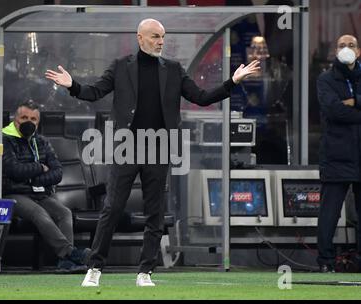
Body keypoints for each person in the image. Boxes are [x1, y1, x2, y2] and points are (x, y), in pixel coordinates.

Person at [45, 19, 260, 286]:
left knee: (155, 213)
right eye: (156, 36)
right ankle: (95, 268)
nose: (161, 41)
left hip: (159, 147)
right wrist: (72, 85)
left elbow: (202, 97)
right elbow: (94, 92)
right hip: (127, 146)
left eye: (163, 37)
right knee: (112, 208)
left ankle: (145, 271)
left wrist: (232, 82)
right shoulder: (121, 67)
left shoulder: (173, 69)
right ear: (140, 38)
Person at [2, 100, 90, 272]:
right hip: (13, 194)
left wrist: (34, 180)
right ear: (15, 119)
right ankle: (69, 253)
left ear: (38, 122)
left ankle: (65, 262)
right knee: (39, 213)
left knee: (64, 213)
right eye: (24, 117)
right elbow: (14, 170)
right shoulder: (4, 140)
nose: (29, 122)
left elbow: (57, 173)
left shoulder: (41, 142)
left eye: (33, 119)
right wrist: (40, 168)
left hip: (38, 193)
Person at [317, 35, 361, 273]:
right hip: (335, 155)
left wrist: (354, 101)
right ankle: (325, 261)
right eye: (342, 45)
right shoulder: (325, 79)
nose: (347, 49)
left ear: (359, 51)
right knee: (329, 213)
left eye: (351, 45)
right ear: (336, 50)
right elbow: (333, 111)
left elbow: (342, 109)